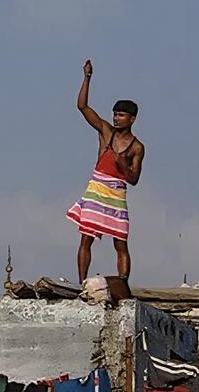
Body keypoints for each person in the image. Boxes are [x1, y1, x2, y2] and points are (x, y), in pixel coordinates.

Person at [66, 59, 145, 284]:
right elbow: (82, 107)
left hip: (117, 192)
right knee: (86, 238)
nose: (116, 118)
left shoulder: (137, 147)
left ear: (132, 119)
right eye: (115, 114)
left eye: (121, 115)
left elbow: (134, 179)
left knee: (120, 241)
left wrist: (122, 164)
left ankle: (123, 283)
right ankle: (82, 283)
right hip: (97, 187)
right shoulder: (106, 132)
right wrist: (87, 78)